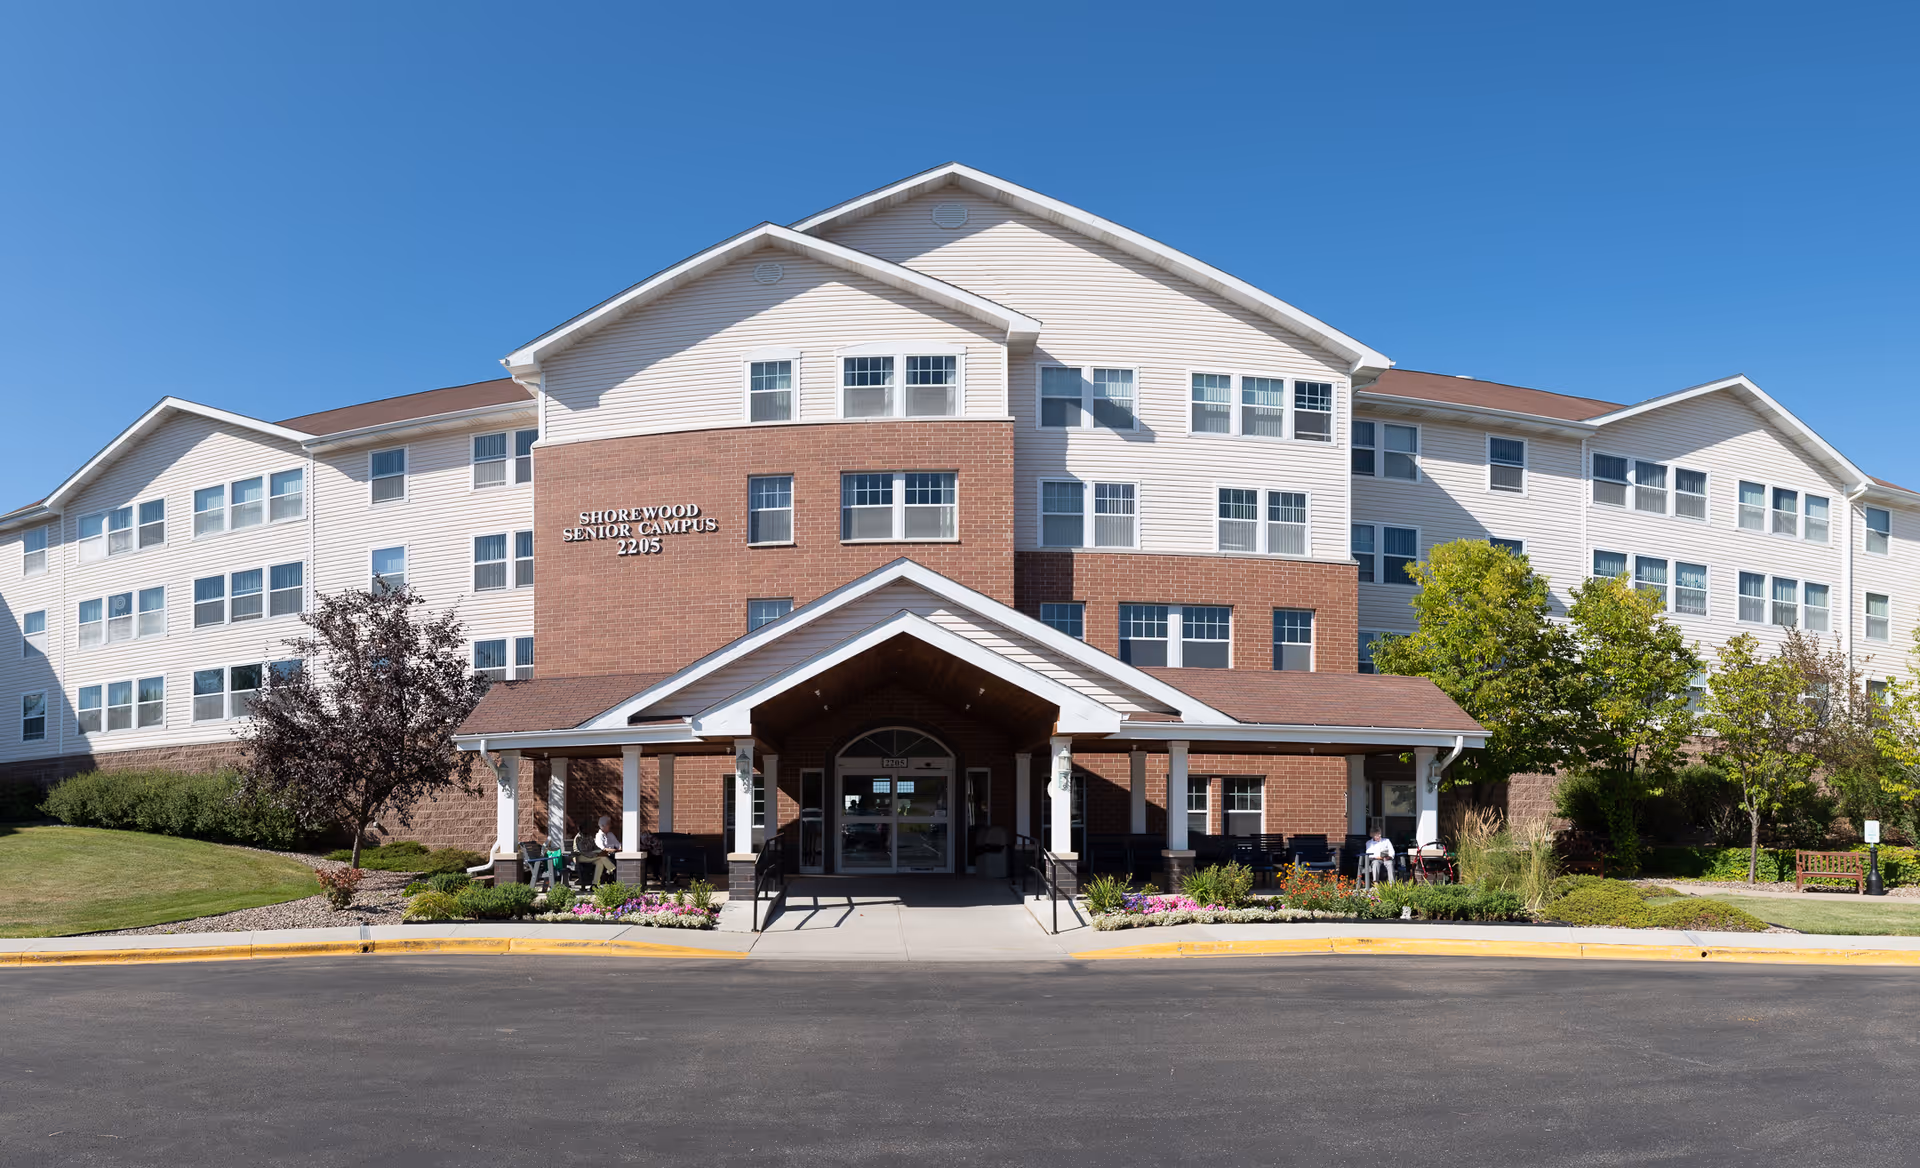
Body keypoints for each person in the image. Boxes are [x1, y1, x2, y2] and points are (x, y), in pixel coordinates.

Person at [581, 815, 617, 885]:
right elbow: (580, 851)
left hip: (591, 855)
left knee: (600, 862)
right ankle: (613, 870)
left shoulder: (589, 837)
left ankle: (595, 884)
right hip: (582, 856)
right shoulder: (579, 838)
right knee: (601, 854)